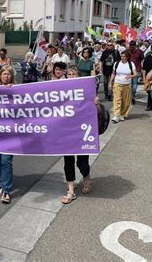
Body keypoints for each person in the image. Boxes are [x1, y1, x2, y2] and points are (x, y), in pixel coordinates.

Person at [60, 66, 97, 204]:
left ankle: (86, 177)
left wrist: (96, 104)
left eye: (73, 74)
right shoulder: (60, 90)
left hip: (81, 131)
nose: (71, 76)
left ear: (78, 75)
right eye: (68, 74)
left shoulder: (86, 90)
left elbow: (95, 111)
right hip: (65, 132)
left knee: (82, 163)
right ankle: (70, 190)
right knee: (68, 162)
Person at [0, 65, 15, 204]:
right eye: (4, 74)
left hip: (10, 132)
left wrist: (13, 91)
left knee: (6, 160)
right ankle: (2, 184)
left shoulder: (16, 90)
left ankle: (6, 190)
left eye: (8, 74)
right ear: (0, 76)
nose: (6, 76)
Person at [109, 50, 136, 122]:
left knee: (125, 100)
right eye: (121, 56)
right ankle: (116, 115)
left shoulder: (131, 64)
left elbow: (135, 74)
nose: (122, 58)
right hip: (117, 83)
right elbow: (113, 73)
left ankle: (123, 114)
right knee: (117, 99)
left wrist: (130, 76)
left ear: (127, 57)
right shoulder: (116, 63)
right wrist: (110, 82)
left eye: (124, 56)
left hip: (127, 85)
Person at [128, 40, 144, 104]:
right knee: (129, 84)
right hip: (129, 70)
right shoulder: (128, 51)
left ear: (135, 46)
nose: (131, 47)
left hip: (137, 69)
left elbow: (142, 59)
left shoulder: (140, 51)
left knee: (134, 85)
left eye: (132, 46)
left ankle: (133, 96)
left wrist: (142, 66)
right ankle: (130, 97)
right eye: (130, 46)